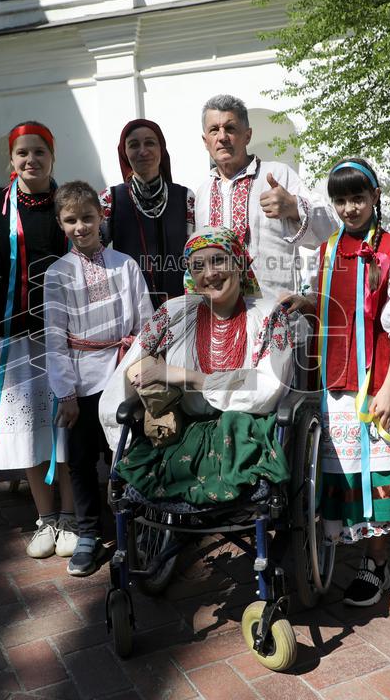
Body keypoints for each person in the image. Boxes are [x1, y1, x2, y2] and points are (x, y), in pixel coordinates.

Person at [284, 158, 390, 607]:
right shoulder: (327, 249)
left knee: (381, 475)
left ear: (375, 196)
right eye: (340, 200)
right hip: (336, 381)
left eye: (358, 197)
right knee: (353, 479)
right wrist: (305, 301)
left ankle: (380, 564)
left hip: (378, 380)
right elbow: (334, 309)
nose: (349, 207)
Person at [99, 227, 294, 508]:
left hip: (242, 430)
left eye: (218, 261)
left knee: (233, 426)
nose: (210, 273)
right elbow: (125, 377)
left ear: (239, 263)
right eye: (198, 266)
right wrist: (121, 442)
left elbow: (266, 388)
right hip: (182, 430)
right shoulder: (173, 313)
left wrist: (185, 377)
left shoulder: (269, 315)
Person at [0, 121, 78, 560]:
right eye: (22, 153)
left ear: (52, 156)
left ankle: (70, 515)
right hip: (13, 335)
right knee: (28, 428)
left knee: (64, 428)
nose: (31, 160)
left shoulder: (69, 202)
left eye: (39, 152)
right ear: (11, 160)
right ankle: (45, 517)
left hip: (62, 336)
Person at [44, 181, 154, 576]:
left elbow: (145, 324)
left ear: (101, 217)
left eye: (87, 217)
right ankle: (89, 533)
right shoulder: (57, 274)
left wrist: (140, 371)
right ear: (61, 223)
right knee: (81, 461)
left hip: (122, 376)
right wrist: (66, 393)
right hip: (79, 381)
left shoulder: (125, 264)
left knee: (125, 455)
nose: (81, 227)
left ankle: (135, 527)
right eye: (71, 220)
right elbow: (55, 338)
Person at [191, 95, 337, 300]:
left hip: (274, 314)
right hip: (221, 317)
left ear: (247, 136)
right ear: (206, 141)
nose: (222, 137)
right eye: (214, 130)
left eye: (230, 128)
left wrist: (294, 207)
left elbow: (331, 228)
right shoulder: (202, 193)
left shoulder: (278, 175)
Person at [100, 119, 195, 308]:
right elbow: (93, 258)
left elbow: (194, 256)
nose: (143, 151)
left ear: (161, 149)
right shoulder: (110, 199)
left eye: (150, 142)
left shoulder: (185, 197)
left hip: (179, 308)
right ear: (124, 153)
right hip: (131, 309)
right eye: (133, 145)